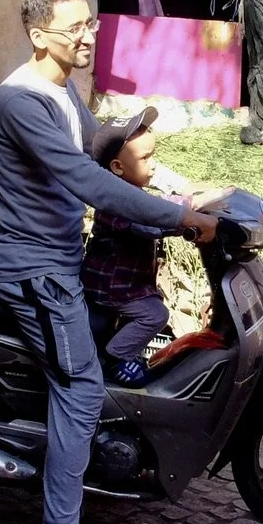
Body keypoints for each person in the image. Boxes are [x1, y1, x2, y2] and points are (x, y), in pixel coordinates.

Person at [0, 0, 217, 524]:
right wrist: (180, 218)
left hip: (60, 259)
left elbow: (106, 148)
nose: (88, 36)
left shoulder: (64, 89)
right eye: (74, 27)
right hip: (34, 269)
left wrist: (192, 190)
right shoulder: (21, 100)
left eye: (90, 24)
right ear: (38, 36)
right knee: (82, 390)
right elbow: (89, 178)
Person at [82, 108, 191, 387]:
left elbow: (157, 206)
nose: (153, 165)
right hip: (111, 286)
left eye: (153, 155)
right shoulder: (114, 202)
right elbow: (151, 224)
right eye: (145, 158)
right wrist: (189, 218)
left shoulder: (132, 192)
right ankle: (116, 357)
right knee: (155, 314)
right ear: (117, 167)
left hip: (126, 283)